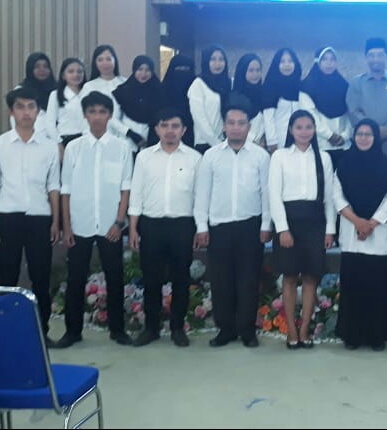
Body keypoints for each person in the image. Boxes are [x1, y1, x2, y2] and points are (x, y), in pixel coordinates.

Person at [56, 91, 133, 348]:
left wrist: (119, 222)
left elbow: (125, 189)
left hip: (111, 225)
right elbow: (65, 190)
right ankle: (72, 332)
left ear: (110, 115)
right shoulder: (74, 148)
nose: (97, 117)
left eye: (102, 112)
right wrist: (67, 227)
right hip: (80, 224)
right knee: (76, 278)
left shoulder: (121, 147)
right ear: (85, 115)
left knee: (115, 277)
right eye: (92, 112)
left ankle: (117, 330)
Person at [194, 98, 271, 349]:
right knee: (221, 280)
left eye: (241, 123)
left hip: (251, 225)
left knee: (249, 279)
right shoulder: (211, 156)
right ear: (224, 126)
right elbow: (202, 194)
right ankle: (225, 329)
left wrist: (266, 225)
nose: (236, 127)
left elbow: (267, 193)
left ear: (249, 127)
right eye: (231, 123)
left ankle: (247, 331)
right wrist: (202, 226)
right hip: (219, 226)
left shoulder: (260, 156)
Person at [128, 108, 202, 347]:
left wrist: (199, 228)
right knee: (151, 279)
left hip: (182, 225)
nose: (170, 131)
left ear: (184, 130)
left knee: (181, 278)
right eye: (165, 125)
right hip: (151, 225)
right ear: (156, 129)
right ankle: (151, 328)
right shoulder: (144, 157)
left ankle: (177, 328)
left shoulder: (194, 158)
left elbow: (199, 197)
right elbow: (136, 194)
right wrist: (133, 228)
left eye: (175, 126)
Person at [268, 110, 336, 349]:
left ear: (315, 130)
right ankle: (291, 329)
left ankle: (305, 328)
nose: (304, 132)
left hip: (315, 222)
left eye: (309, 127)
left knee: (310, 276)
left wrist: (330, 230)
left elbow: (328, 198)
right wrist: (282, 229)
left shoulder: (324, 158)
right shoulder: (280, 156)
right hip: (289, 221)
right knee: (289, 276)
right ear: (290, 130)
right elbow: (274, 195)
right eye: (299, 127)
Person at [0, 87, 61, 345]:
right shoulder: (1, 144)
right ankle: (4, 332)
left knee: (40, 276)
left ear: (38, 111)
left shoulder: (49, 147)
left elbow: (53, 186)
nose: (26, 112)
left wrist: (56, 221)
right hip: (8, 216)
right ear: (11, 111)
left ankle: (41, 332)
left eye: (31, 107)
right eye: (20, 107)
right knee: (6, 277)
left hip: (39, 217)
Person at [332, 119, 387, 350]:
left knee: (378, 286)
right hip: (352, 233)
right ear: (354, 137)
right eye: (359, 133)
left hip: (378, 234)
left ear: (376, 137)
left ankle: (377, 335)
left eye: (368, 134)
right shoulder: (343, 163)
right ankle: (352, 335)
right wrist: (357, 222)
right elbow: (337, 196)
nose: (363, 138)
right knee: (353, 285)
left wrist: (371, 224)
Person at [346, 38, 387, 158]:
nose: (376, 59)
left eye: (380, 55)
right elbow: (353, 111)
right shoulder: (356, 83)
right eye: (371, 55)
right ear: (366, 57)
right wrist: (372, 130)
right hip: (364, 141)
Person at [301, 47, 352, 168]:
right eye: (324, 59)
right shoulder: (307, 87)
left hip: (344, 145)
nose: (329, 63)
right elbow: (310, 116)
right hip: (321, 145)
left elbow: (351, 113)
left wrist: (345, 136)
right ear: (317, 62)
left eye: (332, 59)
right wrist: (330, 135)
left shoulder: (344, 85)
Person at [80, 45, 138, 150]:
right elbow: (84, 116)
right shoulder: (89, 86)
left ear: (115, 60)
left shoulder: (126, 83)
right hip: (96, 138)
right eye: (100, 60)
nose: (105, 63)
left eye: (108, 59)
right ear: (95, 63)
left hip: (124, 139)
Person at [261, 48, 318, 152]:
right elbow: (268, 118)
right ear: (276, 65)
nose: (287, 65)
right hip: (279, 141)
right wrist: (272, 141)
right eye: (282, 61)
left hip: (300, 141)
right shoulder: (271, 88)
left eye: (290, 61)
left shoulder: (300, 88)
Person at [113, 55, 161, 153]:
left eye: (147, 70)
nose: (143, 73)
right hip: (126, 142)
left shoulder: (160, 91)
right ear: (134, 70)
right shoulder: (122, 92)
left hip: (151, 143)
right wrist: (130, 134)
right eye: (140, 69)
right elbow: (112, 119)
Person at [187, 45, 230, 154]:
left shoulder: (229, 83)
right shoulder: (198, 84)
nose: (217, 63)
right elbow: (200, 119)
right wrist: (216, 143)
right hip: (205, 143)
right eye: (213, 59)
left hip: (227, 142)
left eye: (221, 59)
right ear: (206, 61)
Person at [45, 57, 87, 154]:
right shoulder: (55, 95)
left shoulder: (89, 93)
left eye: (79, 71)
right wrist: (59, 144)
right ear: (63, 75)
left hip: (86, 139)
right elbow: (49, 124)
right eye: (71, 71)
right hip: (66, 140)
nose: (76, 74)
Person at [10, 52, 56, 138]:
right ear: (30, 69)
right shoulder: (21, 90)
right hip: (31, 137)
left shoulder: (57, 90)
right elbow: (15, 118)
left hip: (56, 139)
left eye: (45, 66)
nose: (42, 70)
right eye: (37, 67)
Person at [160, 54, 196, 147]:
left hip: (193, 136)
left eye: (186, 69)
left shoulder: (197, 90)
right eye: (179, 69)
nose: (182, 72)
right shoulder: (162, 91)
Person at [231, 53, 266, 145]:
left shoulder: (265, 95)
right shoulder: (234, 98)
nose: (255, 74)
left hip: (261, 147)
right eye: (251, 70)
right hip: (239, 146)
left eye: (258, 70)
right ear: (242, 72)